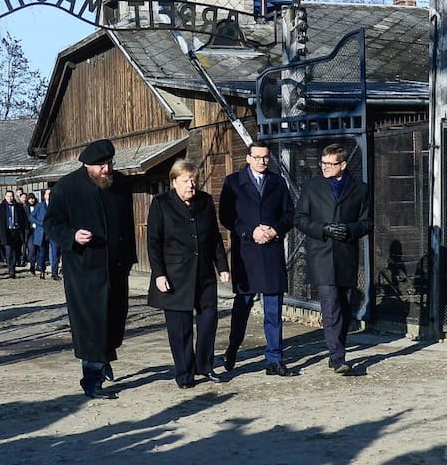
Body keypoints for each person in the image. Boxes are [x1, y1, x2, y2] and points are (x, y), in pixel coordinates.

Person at [44, 138, 137, 399]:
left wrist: (129, 258)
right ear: (87, 165)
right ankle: (92, 380)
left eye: (110, 163)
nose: (107, 169)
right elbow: (52, 224)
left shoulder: (121, 184)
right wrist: (72, 236)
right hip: (84, 268)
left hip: (116, 267)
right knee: (91, 324)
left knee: (114, 320)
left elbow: (127, 223)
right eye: (101, 166)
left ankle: (104, 359)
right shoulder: (67, 188)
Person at [147, 159, 230, 389]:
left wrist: (222, 266)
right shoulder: (161, 203)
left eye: (193, 180)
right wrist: (159, 274)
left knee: (208, 321)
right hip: (175, 276)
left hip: (204, 274)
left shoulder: (204, 201)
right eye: (185, 181)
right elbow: (153, 242)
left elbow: (214, 236)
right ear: (174, 182)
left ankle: (205, 365)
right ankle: (184, 373)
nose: (191, 185)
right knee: (180, 328)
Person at [219, 141, 298, 377]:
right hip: (246, 253)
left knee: (273, 310)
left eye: (265, 157)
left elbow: (289, 214)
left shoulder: (277, 182)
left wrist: (275, 230)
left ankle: (275, 359)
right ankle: (232, 349)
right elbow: (226, 215)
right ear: (248, 158)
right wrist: (249, 231)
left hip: (271, 251)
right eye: (257, 157)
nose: (262, 161)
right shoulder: (233, 182)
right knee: (242, 307)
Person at [295, 143, 372, 374]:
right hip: (322, 254)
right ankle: (337, 357)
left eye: (330, 164)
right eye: (323, 163)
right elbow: (300, 219)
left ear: (343, 164)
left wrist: (350, 230)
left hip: (346, 255)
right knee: (330, 305)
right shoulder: (312, 186)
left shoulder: (360, 189)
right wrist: (323, 229)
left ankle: (337, 349)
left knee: (345, 306)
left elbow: (367, 222)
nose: (325, 167)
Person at [0, 190, 26, 279]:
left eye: (11, 196)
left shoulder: (18, 206)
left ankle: (13, 267)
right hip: (6, 232)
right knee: (8, 252)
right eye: (8, 196)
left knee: (15, 251)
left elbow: (23, 219)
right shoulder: (0, 207)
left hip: (16, 231)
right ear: (5, 197)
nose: (10, 198)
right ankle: (11, 269)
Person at [29, 188, 50, 280]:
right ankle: (42, 269)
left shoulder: (56, 205)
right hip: (42, 232)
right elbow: (31, 217)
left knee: (54, 252)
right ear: (44, 196)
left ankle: (54, 271)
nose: (49, 196)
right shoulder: (40, 206)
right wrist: (40, 223)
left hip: (53, 232)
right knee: (42, 252)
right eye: (48, 194)